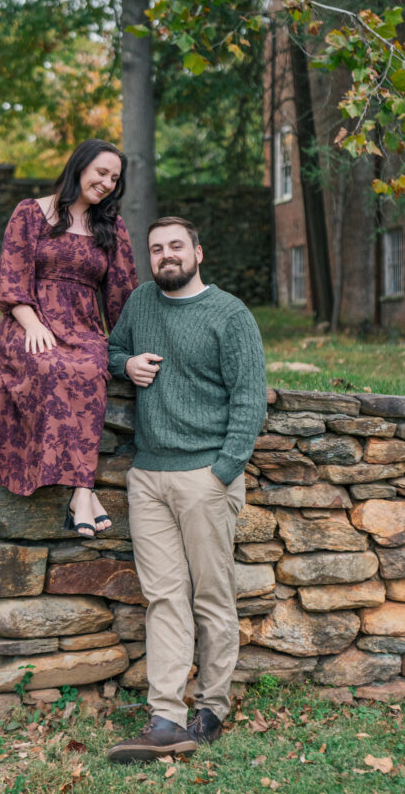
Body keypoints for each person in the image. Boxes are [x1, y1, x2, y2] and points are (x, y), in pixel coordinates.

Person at [106, 216, 266, 763]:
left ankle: (212, 708)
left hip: (205, 476)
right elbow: (108, 351)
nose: (166, 255)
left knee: (212, 596)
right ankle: (166, 718)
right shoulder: (140, 303)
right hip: (148, 475)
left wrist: (222, 471)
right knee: (163, 598)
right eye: (156, 249)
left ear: (198, 251)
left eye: (176, 246)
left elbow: (249, 399)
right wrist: (125, 363)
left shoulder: (229, 314)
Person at [0, 139, 138, 537]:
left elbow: (122, 291)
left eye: (114, 179)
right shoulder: (30, 212)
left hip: (83, 327)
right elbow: (11, 276)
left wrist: (132, 345)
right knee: (49, 368)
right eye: (101, 172)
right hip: (30, 321)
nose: (106, 183)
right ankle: (83, 492)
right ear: (79, 166)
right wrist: (31, 323)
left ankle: (82, 491)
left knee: (88, 369)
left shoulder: (111, 226)